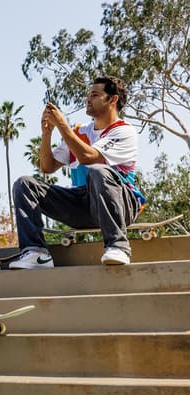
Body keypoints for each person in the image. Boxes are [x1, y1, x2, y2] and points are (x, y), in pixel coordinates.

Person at [10, 77, 144, 269]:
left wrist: (63, 126)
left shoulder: (123, 131)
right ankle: (36, 253)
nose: (88, 99)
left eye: (95, 95)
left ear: (112, 100)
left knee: (98, 172)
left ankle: (118, 246)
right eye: (88, 95)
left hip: (121, 204)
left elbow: (89, 157)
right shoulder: (80, 132)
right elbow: (47, 167)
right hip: (82, 204)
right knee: (25, 184)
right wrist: (47, 133)